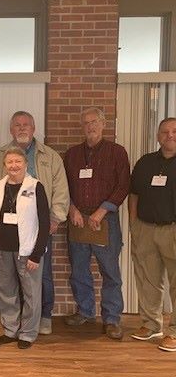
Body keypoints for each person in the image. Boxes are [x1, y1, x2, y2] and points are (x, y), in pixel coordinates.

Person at [0, 111, 69, 335]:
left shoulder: (50, 156)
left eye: (26, 125)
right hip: (8, 235)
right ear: (11, 130)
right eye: (17, 125)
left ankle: (42, 317)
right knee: (9, 283)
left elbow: (61, 189)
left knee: (40, 278)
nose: (22, 128)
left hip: (40, 228)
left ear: (34, 128)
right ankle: (13, 325)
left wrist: (55, 218)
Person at [63, 107, 130, 340]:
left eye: (94, 122)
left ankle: (111, 319)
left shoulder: (117, 152)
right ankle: (85, 311)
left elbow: (123, 185)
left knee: (110, 272)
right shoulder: (72, 155)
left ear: (103, 124)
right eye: (86, 123)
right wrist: (72, 209)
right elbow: (63, 187)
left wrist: (102, 211)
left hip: (105, 221)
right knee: (79, 270)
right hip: (78, 220)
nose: (90, 126)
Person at [0, 147, 50, 349]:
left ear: (26, 164)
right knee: (6, 292)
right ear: (4, 165)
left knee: (31, 294)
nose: (13, 165)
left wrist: (37, 254)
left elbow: (44, 222)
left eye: (18, 161)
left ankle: (28, 333)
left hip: (27, 250)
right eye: (10, 162)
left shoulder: (36, 187)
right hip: (2, 249)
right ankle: (10, 330)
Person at [129, 117, 176, 352]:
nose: (170, 135)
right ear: (158, 136)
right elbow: (134, 194)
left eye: (174, 131)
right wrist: (134, 224)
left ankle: (174, 332)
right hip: (146, 228)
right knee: (148, 279)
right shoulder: (146, 162)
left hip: (173, 229)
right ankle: (151, 324)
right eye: (164, 132)